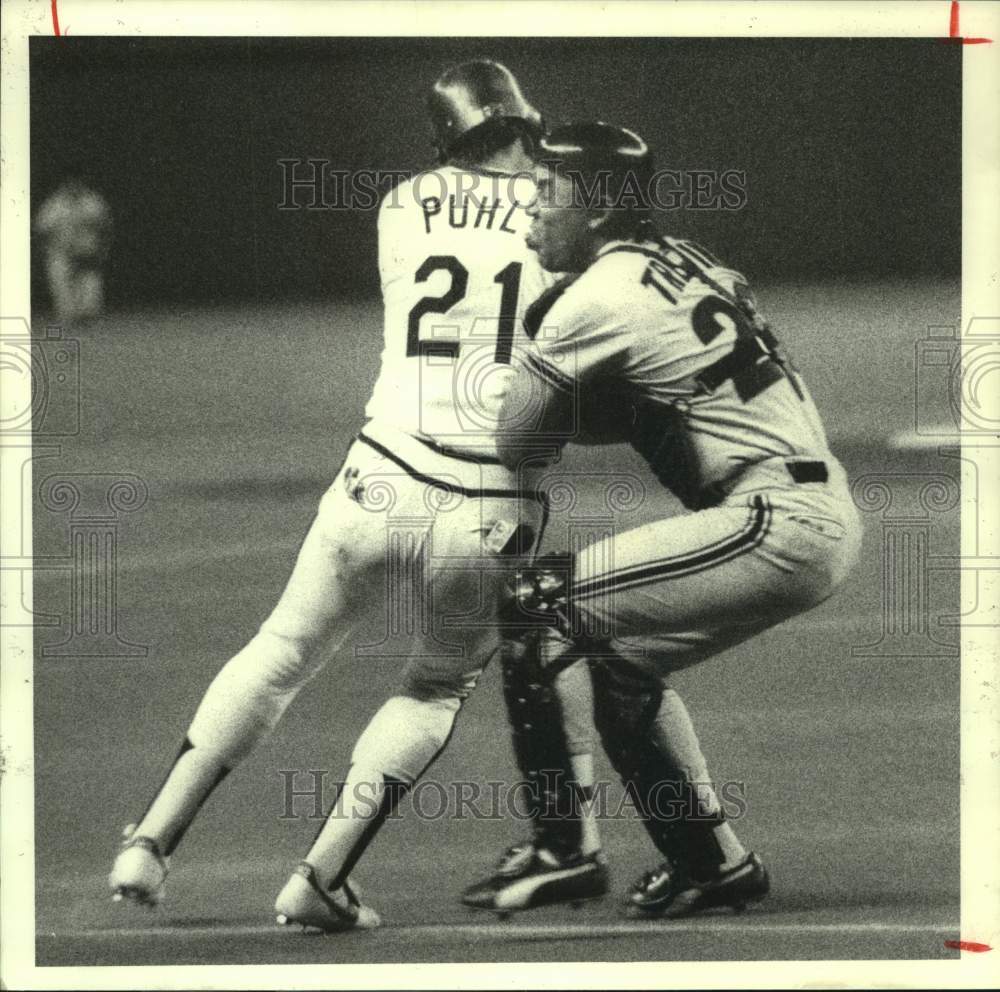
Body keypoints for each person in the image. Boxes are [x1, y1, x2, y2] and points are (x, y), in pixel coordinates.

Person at [109, 59, 574, 933]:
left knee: (280, 650)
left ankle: (150, 840)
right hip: (489, 498)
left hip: (380, 471)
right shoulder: (557, 213)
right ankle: (320, 878)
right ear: (519, 123)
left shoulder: (399, 205)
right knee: (435, 689)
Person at [462, 122, 862, 918]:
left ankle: (563, 847)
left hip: (774, 518)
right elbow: (664, 403)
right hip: (805, 509)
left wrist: (538, 366)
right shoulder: (690, 260)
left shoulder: (593, 298)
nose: (529, 209)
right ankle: (713, 865)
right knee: (617, 664)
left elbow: (518, 442)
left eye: (547, 191)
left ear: (600, 207)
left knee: (538, 606)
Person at [34, 180, 111, 324]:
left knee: (88, 284)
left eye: (77, 182)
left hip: (86, 249)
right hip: (60, 250)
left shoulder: (92, 202)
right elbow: (41, 229)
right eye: (69, 183)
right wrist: (45, 249)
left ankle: (88, 317)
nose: (73, 186)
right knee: (61, 284)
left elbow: (105, 226)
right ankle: (68, 318)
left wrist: (102, 247)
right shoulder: (55, 204)